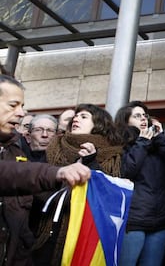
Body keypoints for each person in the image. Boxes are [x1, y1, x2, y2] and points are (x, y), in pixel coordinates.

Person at [0, 74, 90, 266]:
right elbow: (7, 173)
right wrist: (56, 173)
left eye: (22, 106)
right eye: (13, 105)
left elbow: (18, 211)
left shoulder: (12, 148)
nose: (21, 113)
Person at [31, 103, 124, 265]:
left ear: (99, 124)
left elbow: (107, 194)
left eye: (84, 116)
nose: (76, 119)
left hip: (84, 232)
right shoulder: (55, 146)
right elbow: (39, 182)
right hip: (48, 226)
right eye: (75, 116)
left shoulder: (112, 154)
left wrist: (91, 163)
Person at [115, 101, 165, 266]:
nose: (143, 119)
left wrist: (160, 138)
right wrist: (142, 143)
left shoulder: (157, 145)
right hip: (133, 221)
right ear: (126, 121)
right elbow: (127, 172)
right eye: (137, 116)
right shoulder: (120, 145)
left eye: (145, 115)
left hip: (160, 221)